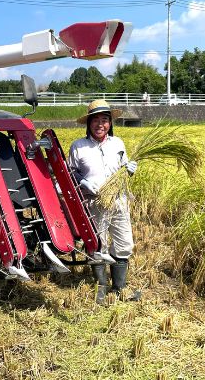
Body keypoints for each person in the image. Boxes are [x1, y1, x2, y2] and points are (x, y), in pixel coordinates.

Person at [68, 99, 141, 304]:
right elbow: (70, 173)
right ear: (89, 123)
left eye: (105, 120)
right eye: (96, 120)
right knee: (97, 243)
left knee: (123, 242)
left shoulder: (117, 144)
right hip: (94, 202)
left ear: (110, 123)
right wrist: (82, 182)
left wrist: (130, 170)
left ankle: (119, 288)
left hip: (118, 200)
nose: (100, 124)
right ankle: (100, 288)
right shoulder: (78, 147)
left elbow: (123, 169)